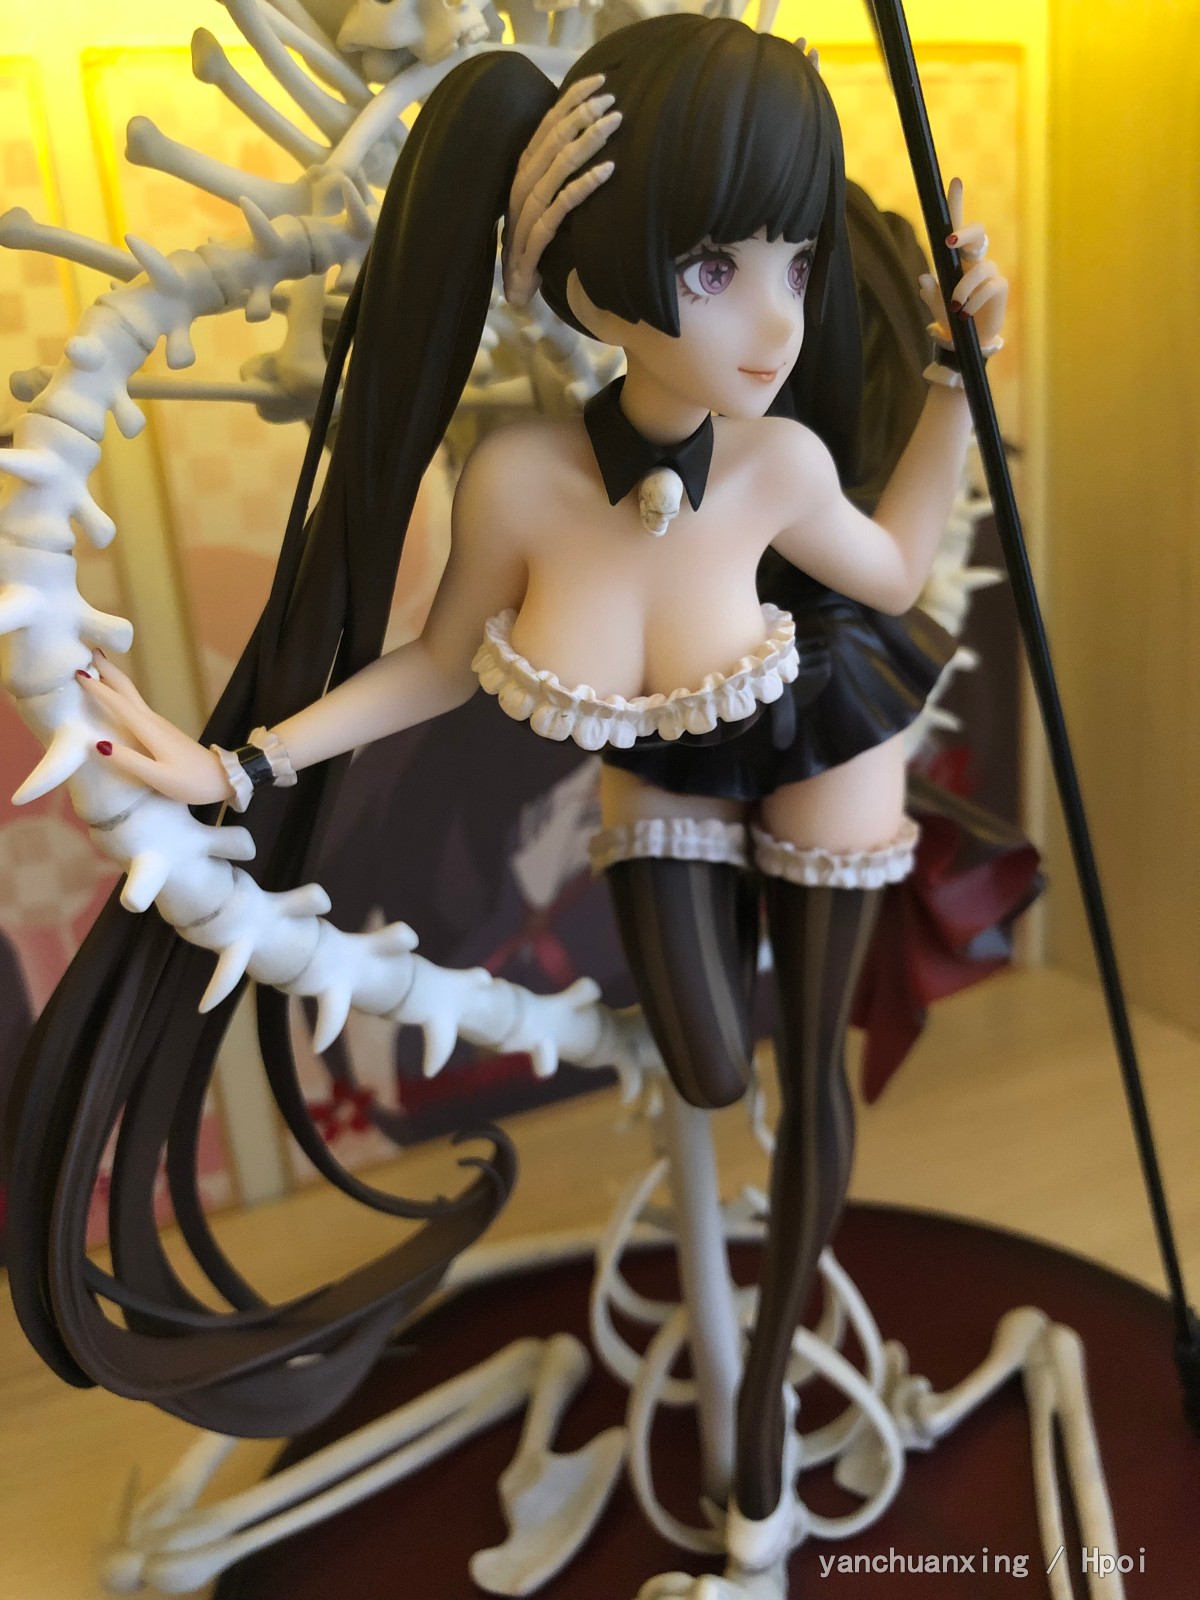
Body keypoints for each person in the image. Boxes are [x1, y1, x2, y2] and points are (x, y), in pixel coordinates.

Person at [8, 12, 1012, 1577]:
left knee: (805, 1064)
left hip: (822, 722)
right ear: (593, 279)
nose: (772, 320)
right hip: (668, 763)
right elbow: (434, 664)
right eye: (715, 268)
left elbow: (887, 574)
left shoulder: (781, 464)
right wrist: (240, 764)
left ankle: (761, 1414)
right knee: (705, 1063)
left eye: (797, 265)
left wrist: (954, 380)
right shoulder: (526, 478)